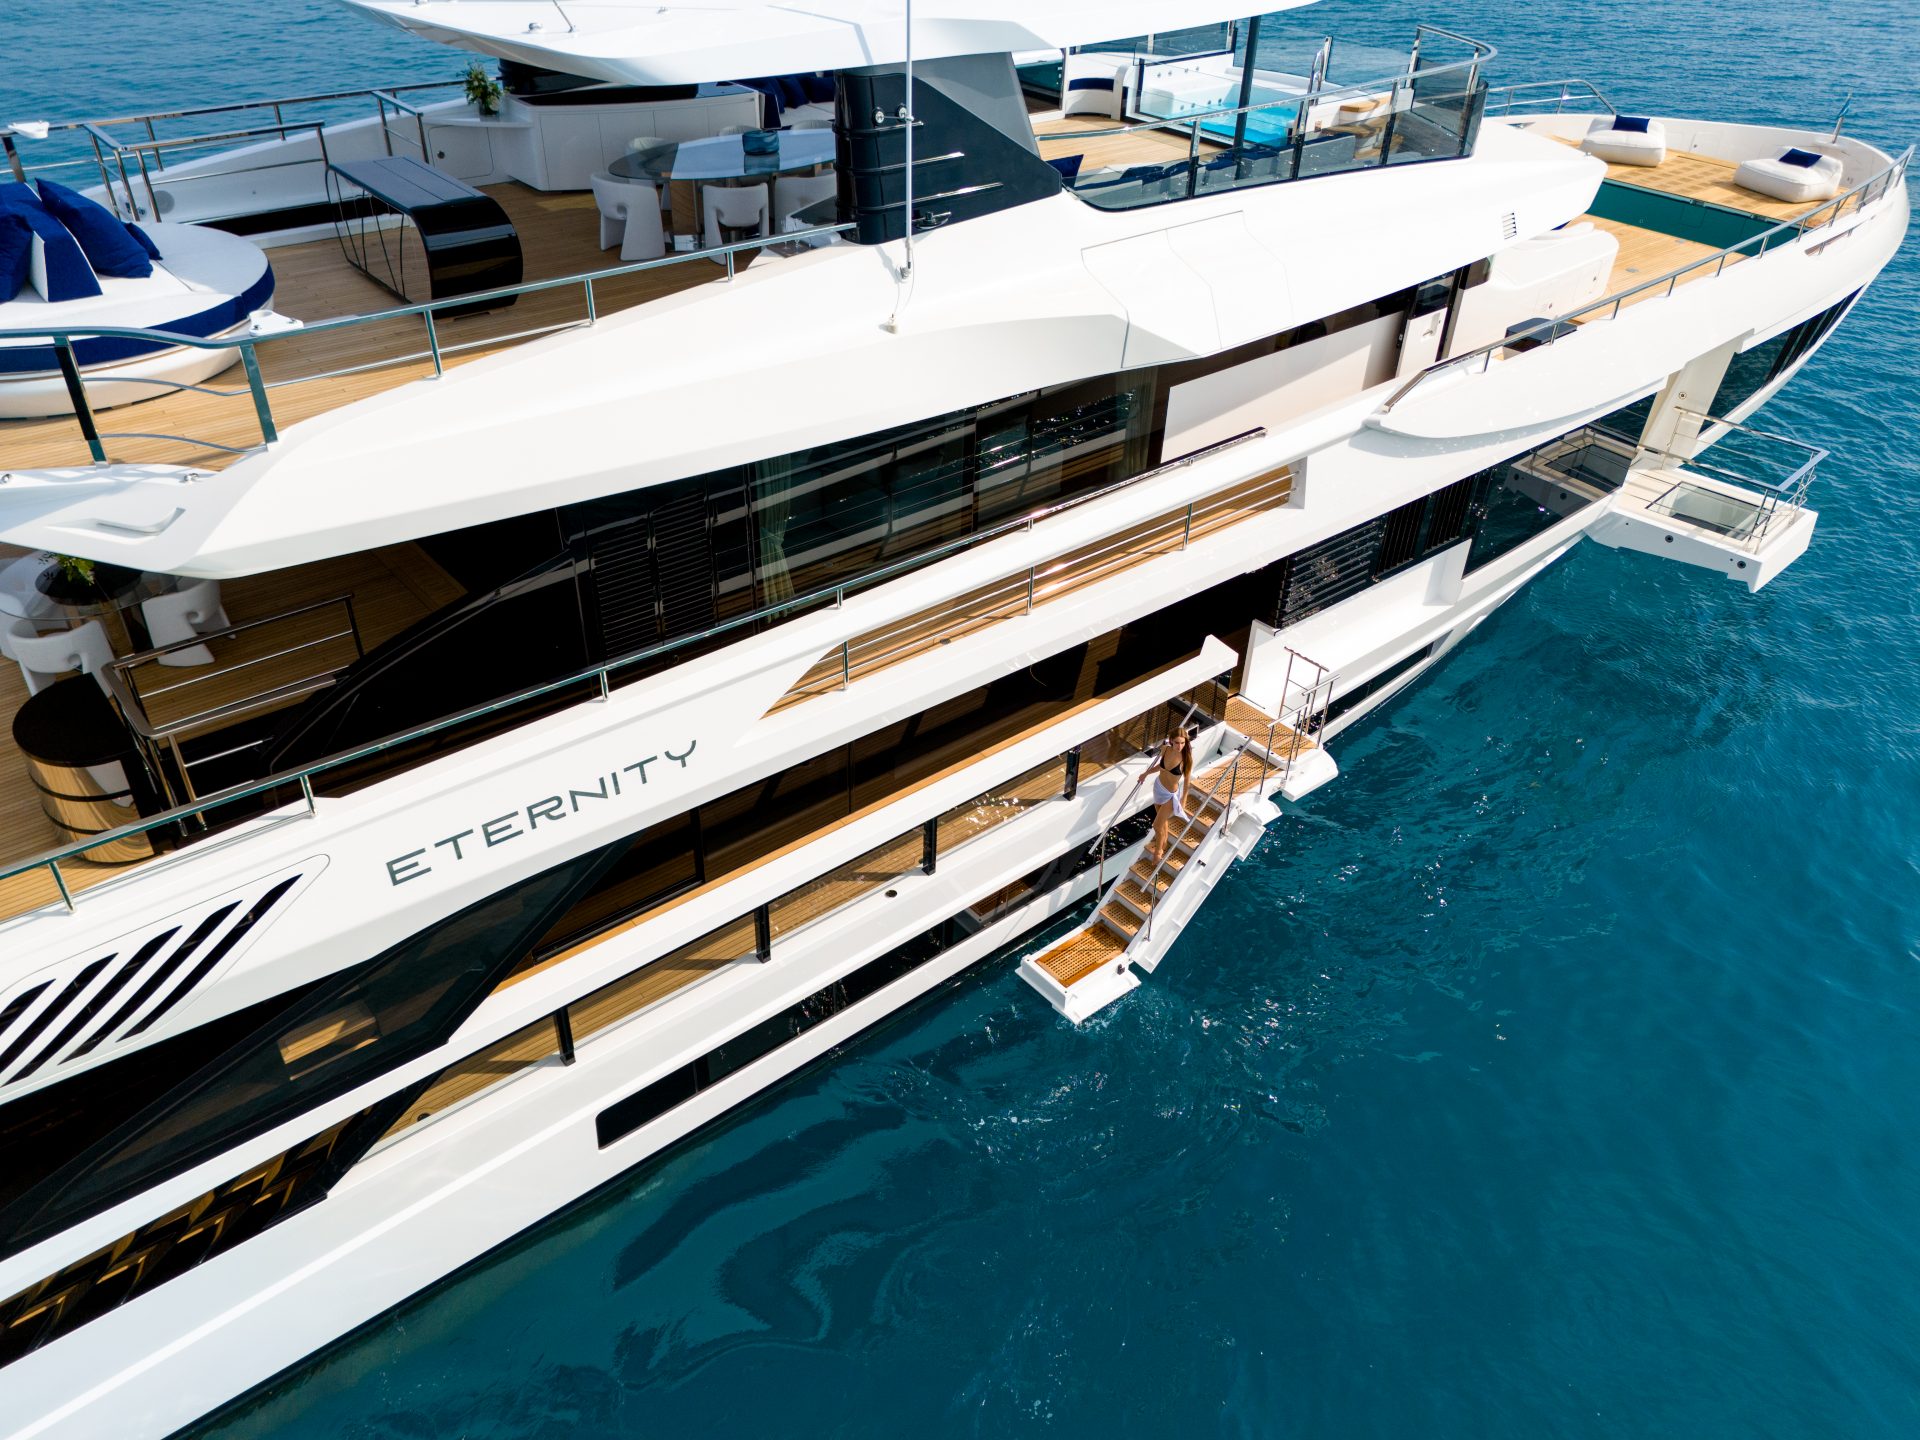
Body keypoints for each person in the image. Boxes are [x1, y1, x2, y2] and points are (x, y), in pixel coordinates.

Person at [1146, 722, 1192, 865]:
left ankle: (1158, 853)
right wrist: (1145, 774)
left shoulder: (1186, 759)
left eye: (1183, 743)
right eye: (1177, 743)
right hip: (1158, 787)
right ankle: (1164, 841)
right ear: (1171, 741)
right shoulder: (1165, 749)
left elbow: (1187, 783)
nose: (1180, 746)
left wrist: (1183, 801)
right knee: (1162, 822)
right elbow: (1161, 767)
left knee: (1156, 826)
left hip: (1170, 796)